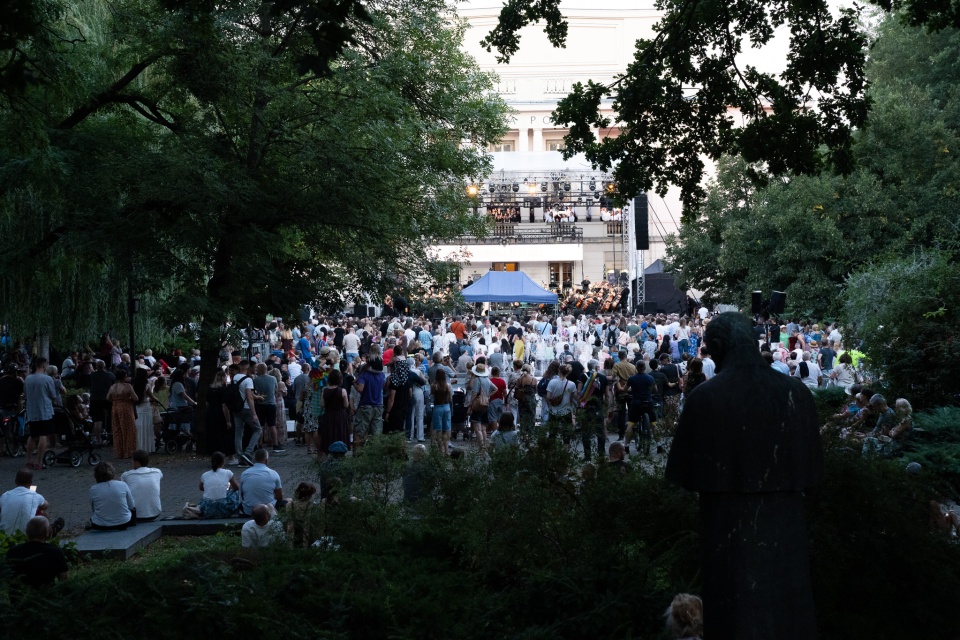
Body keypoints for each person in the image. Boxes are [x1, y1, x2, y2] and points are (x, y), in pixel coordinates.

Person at [666, 312, 823, 639]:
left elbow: (681, 473)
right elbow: (814, 470)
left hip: (728, 530)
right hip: (786, 527)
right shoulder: (797, 394)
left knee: (736, 617)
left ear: (718, 347)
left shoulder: (705, 399)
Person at [6, 516, 69, 589]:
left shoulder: (12, 551)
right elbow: (64, 580)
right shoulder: (55, 552)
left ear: (27, 532)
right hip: (46, 597)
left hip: (19, 597)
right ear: (47, 532)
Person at [24, 357, 58, 471]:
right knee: (43, 435)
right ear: (44, 365)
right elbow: (53, 395)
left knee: (32, 435)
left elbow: (25, 394)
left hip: (32, 411)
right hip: (44, 411)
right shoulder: (47, 379)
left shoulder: (27, 379)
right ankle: (39, 461)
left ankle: (29, 460)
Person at [230, 360, 262, 466]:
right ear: (247, 368)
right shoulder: (248, 380)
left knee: (238, 433)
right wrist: (254, 413)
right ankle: (247, 453)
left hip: (236, 408)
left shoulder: (234, 378)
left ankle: (239, 457)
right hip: (246, 408)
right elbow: (249, 396)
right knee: (257, 429)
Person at [89, 462, 136, 530]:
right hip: (124, 522)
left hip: (100, 524)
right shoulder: (123, 485)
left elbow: (93, 509)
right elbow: (132, 505)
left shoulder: (93, 489)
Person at [0, 468, 48, 535]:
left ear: (15, 481)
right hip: (25, 536)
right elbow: (46, 505)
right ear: (31, 483)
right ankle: (45, 534)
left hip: (3, 536)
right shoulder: (35, 496)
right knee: (42, 512)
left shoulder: (5, 495)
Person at [120, 449, 163, 521]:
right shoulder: (157, 472)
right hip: (155, 513)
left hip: (136, 515)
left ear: (136, 463)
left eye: (133, 461)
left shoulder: (126, 475)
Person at [239, 448, 285, 515]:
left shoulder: (244, 473)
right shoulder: (273, 473)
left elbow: (242, 494)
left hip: (248, 510)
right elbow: (279, 497)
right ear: (266, 460)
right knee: (288, 501)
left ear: (253, 460)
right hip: (268, 510)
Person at [319, 369, 352, 460]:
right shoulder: (342, 391)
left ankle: (327, 456)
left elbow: (322, 404)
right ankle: (341, 456)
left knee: (328, 435)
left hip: (328, 416)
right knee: (340, 435)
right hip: (340, 416)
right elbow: (346, 405)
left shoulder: (324, 390)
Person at [107, 369, 139, 460]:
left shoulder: (113, 387)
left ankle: (119, 452)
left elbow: (108, 398)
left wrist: (116, 400)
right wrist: (127, 399)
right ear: (124, 377)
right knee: (129, 429)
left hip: (115, 408)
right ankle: (128, 452)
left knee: (117, 430)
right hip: (126, 408)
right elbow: (135, 398)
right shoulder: (127, 386)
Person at [198, 451, 240, 518]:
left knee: (205, 497)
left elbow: (201, 488)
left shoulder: (205, 475)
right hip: (223, 509)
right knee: (235, 492)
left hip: (207, 510)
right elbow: (237, 487)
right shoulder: (228, 473)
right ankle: (234, 511)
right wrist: (228, 487)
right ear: (223, 462)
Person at [465, 363, 496, 447]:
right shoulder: (487, 380)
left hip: (477, 405)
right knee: (483, 427)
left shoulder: (477, 380)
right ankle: (485, 444)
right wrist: (487, 396)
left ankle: (481, 445)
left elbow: (474, 394)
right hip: (485, 404)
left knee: (477, 428)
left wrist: (470, 405)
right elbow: (495, 389)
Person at [430, 369, 453, 456]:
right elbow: (450, 398)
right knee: (446, 429)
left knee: (438, 429)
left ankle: (441, 451)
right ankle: (447, 451)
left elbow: (431, 397)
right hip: (446, 407)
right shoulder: (448, 385)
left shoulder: (434, 386)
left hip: (437, 408)